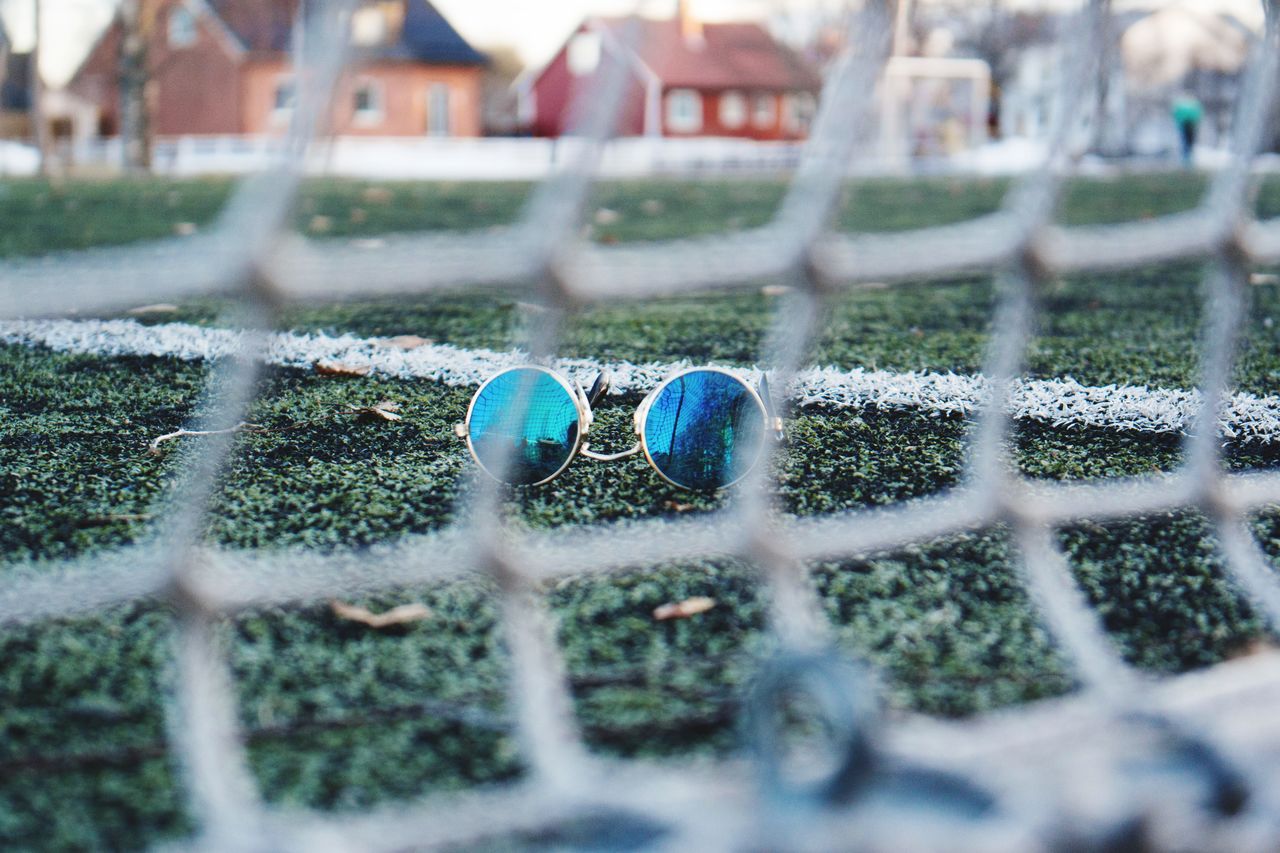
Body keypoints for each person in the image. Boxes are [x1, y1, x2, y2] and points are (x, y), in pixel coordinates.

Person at [1172, 94, 1203, 166]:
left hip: (1189, 125)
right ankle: (1187, 160)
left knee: (1187, 143)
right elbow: (1198, 114)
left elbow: (1175, 114)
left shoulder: (1184, 105)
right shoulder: (1193, 105)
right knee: (1186, 143)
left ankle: (1188, 159)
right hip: (1187, 125)